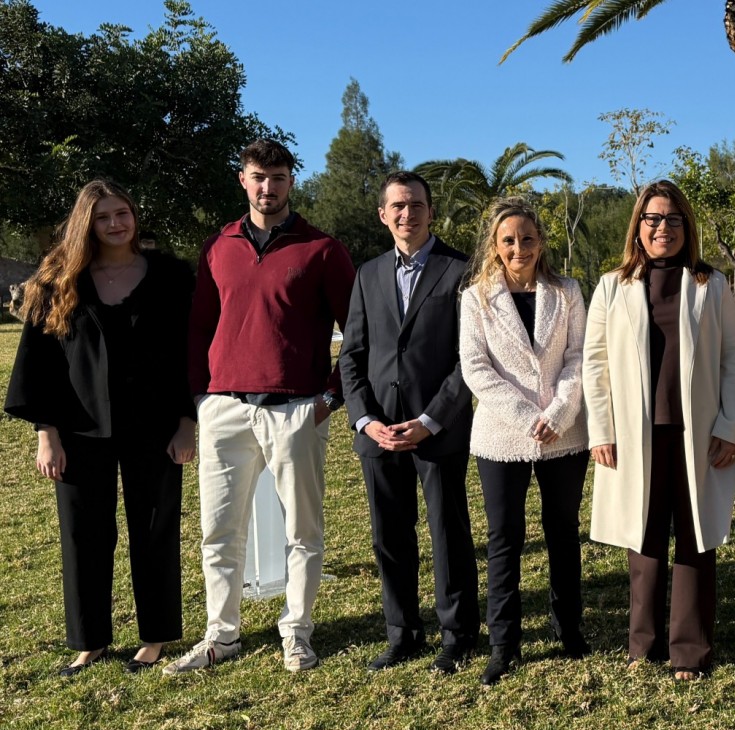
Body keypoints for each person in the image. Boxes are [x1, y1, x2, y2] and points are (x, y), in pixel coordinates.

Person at [166, 139, 355, 675]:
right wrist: (203, 397)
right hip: (225, 408)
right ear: (242, 180)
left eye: (277, 176)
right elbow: (200, 326)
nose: (267, 186)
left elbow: (357, 331)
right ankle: (221, 637)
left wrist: (329, 398)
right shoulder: (218, 245)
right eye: (257, 176)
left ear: (291, 181)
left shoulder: (321, 248)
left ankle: (296, 633)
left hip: (296, 409)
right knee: (220, 531)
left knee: (303, 531)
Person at [5, 180, 194, 676]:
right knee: (82, 535)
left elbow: (187, 356)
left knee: (154, 531)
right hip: (77, 430)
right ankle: (89, 641)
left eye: (122, 213)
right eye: (103, 216)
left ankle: (154, 638)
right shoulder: (57, 279)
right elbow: (39, 364)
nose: (115, 224)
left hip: (154, 428)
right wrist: (47, 434)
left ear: (135, 216)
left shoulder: (173, 277)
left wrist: (186, 422)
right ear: (86, 222)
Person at [583, 180, 735, 681]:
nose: (662, 229)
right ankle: (643, 644)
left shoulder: (710, 284)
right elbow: (595, 363)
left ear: (686, 228)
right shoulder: (613, 286)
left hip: (695, 433)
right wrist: (601, 430)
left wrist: (729, 426)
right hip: (634, 433)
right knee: (643, 538)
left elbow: (732, 360)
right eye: (653, 220)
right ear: (638, 227)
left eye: (673, 220)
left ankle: (691, 651)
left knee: (695, 537)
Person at [339, 171, 477, 675]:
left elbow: (471, 359)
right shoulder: (367, 274)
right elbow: (351, 357)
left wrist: (431, 419)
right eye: (397, 205)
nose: (407, 213)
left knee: (447, 531)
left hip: (436, 428)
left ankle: (458, 634)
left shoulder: (461, 270)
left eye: (416, 204)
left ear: (430, 211)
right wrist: (364, 420)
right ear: (383, 214)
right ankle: (402, 633)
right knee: (389, 535)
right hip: (379, 432)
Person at [459, 197, 591, 686]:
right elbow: (475, 368)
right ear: (495, 246)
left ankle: (569, 626)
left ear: (541, 241)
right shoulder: (476, 298)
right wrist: (526, 415)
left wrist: (557, 412)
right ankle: (504, 642)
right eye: (509, 240)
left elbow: (579, 357)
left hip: (563, 434)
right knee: (504, 539)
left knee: (563, 531)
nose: (520, 248)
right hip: (501, 436)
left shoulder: (568, 291)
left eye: (528, 238)